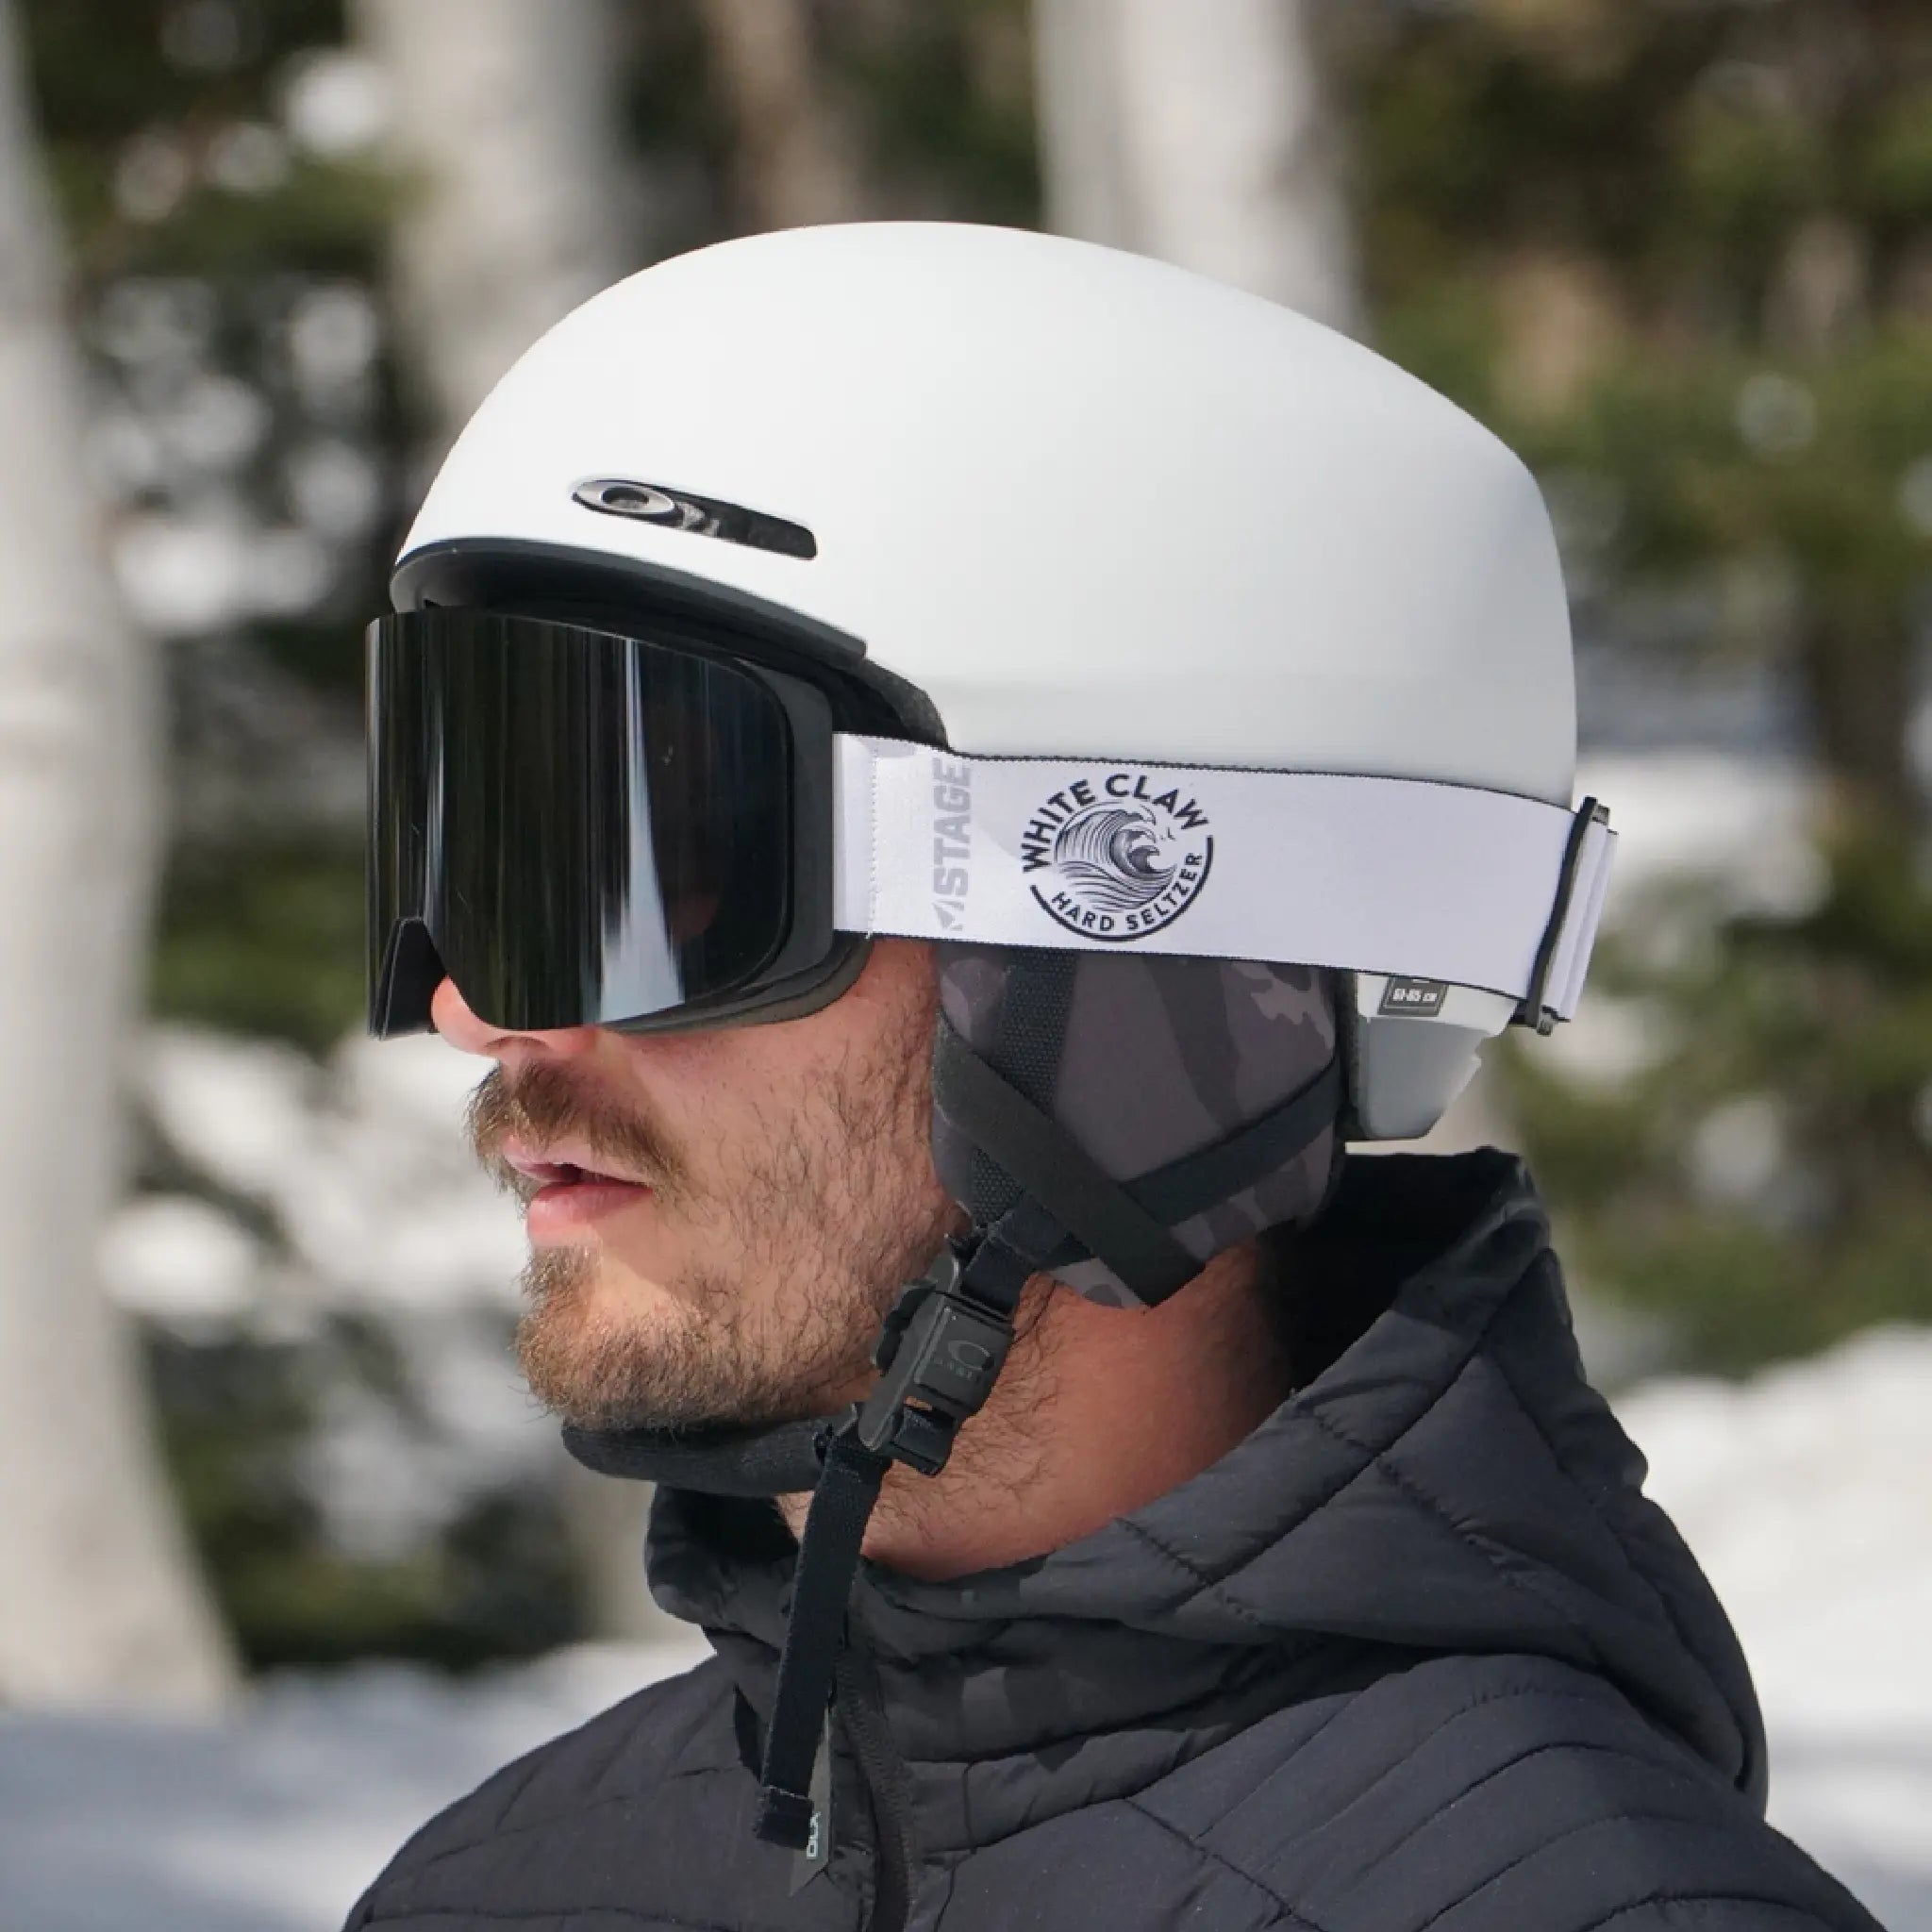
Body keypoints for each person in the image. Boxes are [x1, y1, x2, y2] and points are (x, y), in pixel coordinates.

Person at [344, 224, 1880, 1932]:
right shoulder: (507, 1892)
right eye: (471, 846)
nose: (478, 1009)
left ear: (1139, 994)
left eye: (666, 866)